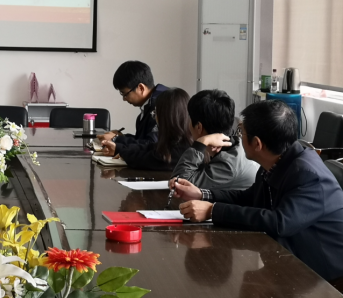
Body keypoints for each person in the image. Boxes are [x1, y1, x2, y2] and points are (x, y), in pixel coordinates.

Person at [174, 100, 343, 286]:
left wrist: (212, 211)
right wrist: (202, 194)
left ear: (257, 143)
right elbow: (248, 197)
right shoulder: (277, 160)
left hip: (326, 275)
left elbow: (279, 222)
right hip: (292, 257)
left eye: (241, 132)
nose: (238, 138)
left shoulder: (309, 175)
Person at [170, 89, 258, 190]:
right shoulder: (236, 146)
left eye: (190, 118)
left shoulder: (228, 165)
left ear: (199, 127)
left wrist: (201, 143)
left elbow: (179, 185)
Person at [97, 61, 168, 162]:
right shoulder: (151, 103)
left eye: (125, 94)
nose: (124, 99)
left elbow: (152, 144)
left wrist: (116, 139)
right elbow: (143, 140)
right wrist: (122, 137)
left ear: (141, 88)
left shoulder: (162, 105)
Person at [110, 88, 193, 170]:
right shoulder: (181, 141)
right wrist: (119, 148)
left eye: (155, 113)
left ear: (166, 118)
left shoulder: (183, 151)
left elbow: (149, 159)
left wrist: (124, 153)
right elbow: (150, 147)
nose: (155, 118)